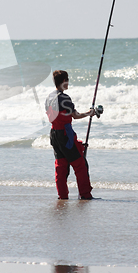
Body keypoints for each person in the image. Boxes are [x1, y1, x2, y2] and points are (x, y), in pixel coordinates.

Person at [45, 70, 95, 200]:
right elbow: (75, 115)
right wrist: (89, 113)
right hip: (65, 135)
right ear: (63, 81)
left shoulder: (49, 97)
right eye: (67, 80)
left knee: (61, 166)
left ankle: (62, 196)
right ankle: (85, 194)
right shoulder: (64, 98)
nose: (68, 83)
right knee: (80, 165)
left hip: (54, 135)